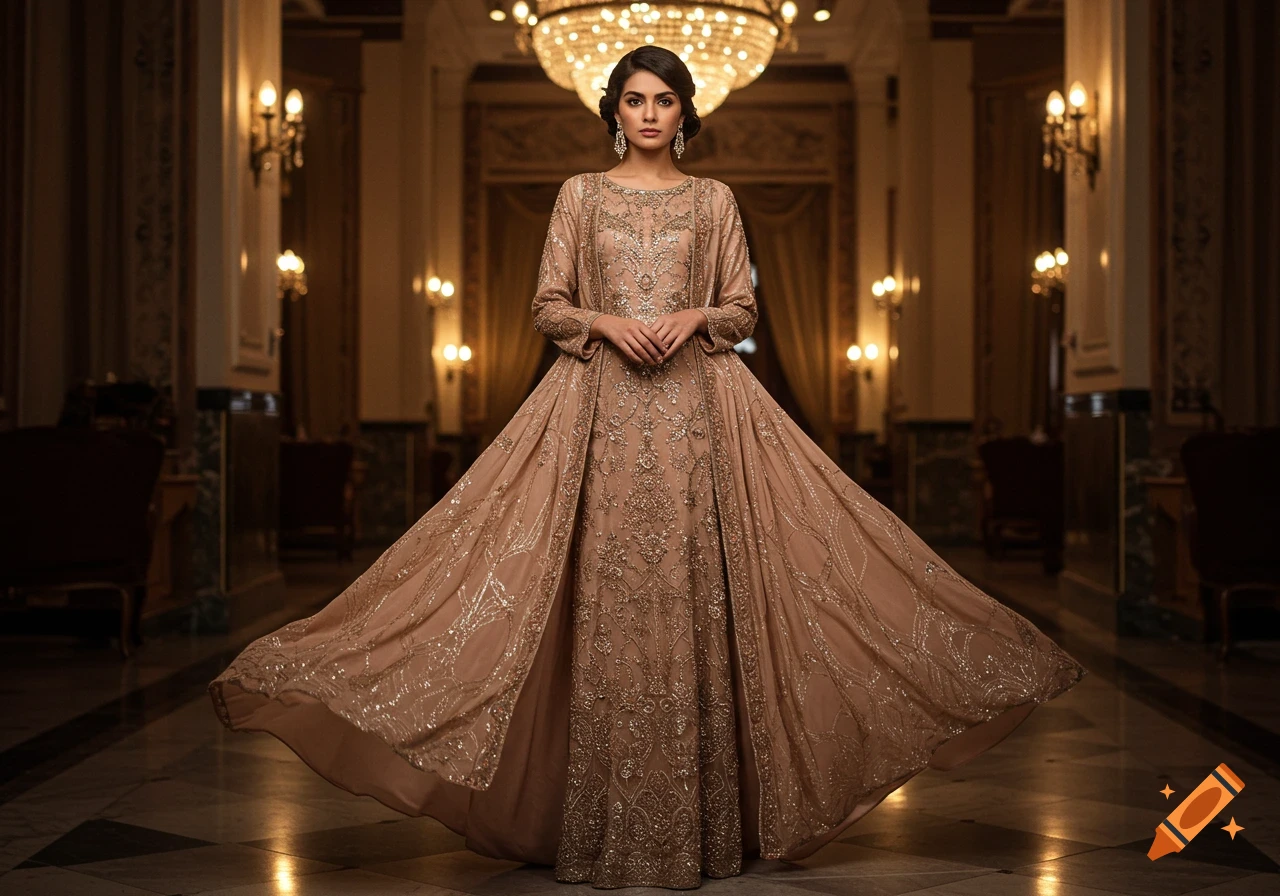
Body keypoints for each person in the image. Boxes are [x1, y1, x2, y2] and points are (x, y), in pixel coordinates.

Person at [209, 46, 1086, 891]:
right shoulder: (579, 196)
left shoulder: (713, 200)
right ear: (615, 113)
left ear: (684, 111)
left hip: (701, 418)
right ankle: (591, 824)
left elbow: (744, 307)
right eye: (635, 100)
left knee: (712, 588)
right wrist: (602, 322)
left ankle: (704, 828)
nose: (651, 114)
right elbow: (547, 305)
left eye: (664, 100)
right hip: (597, 417)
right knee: (584, 592)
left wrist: (697, 311)